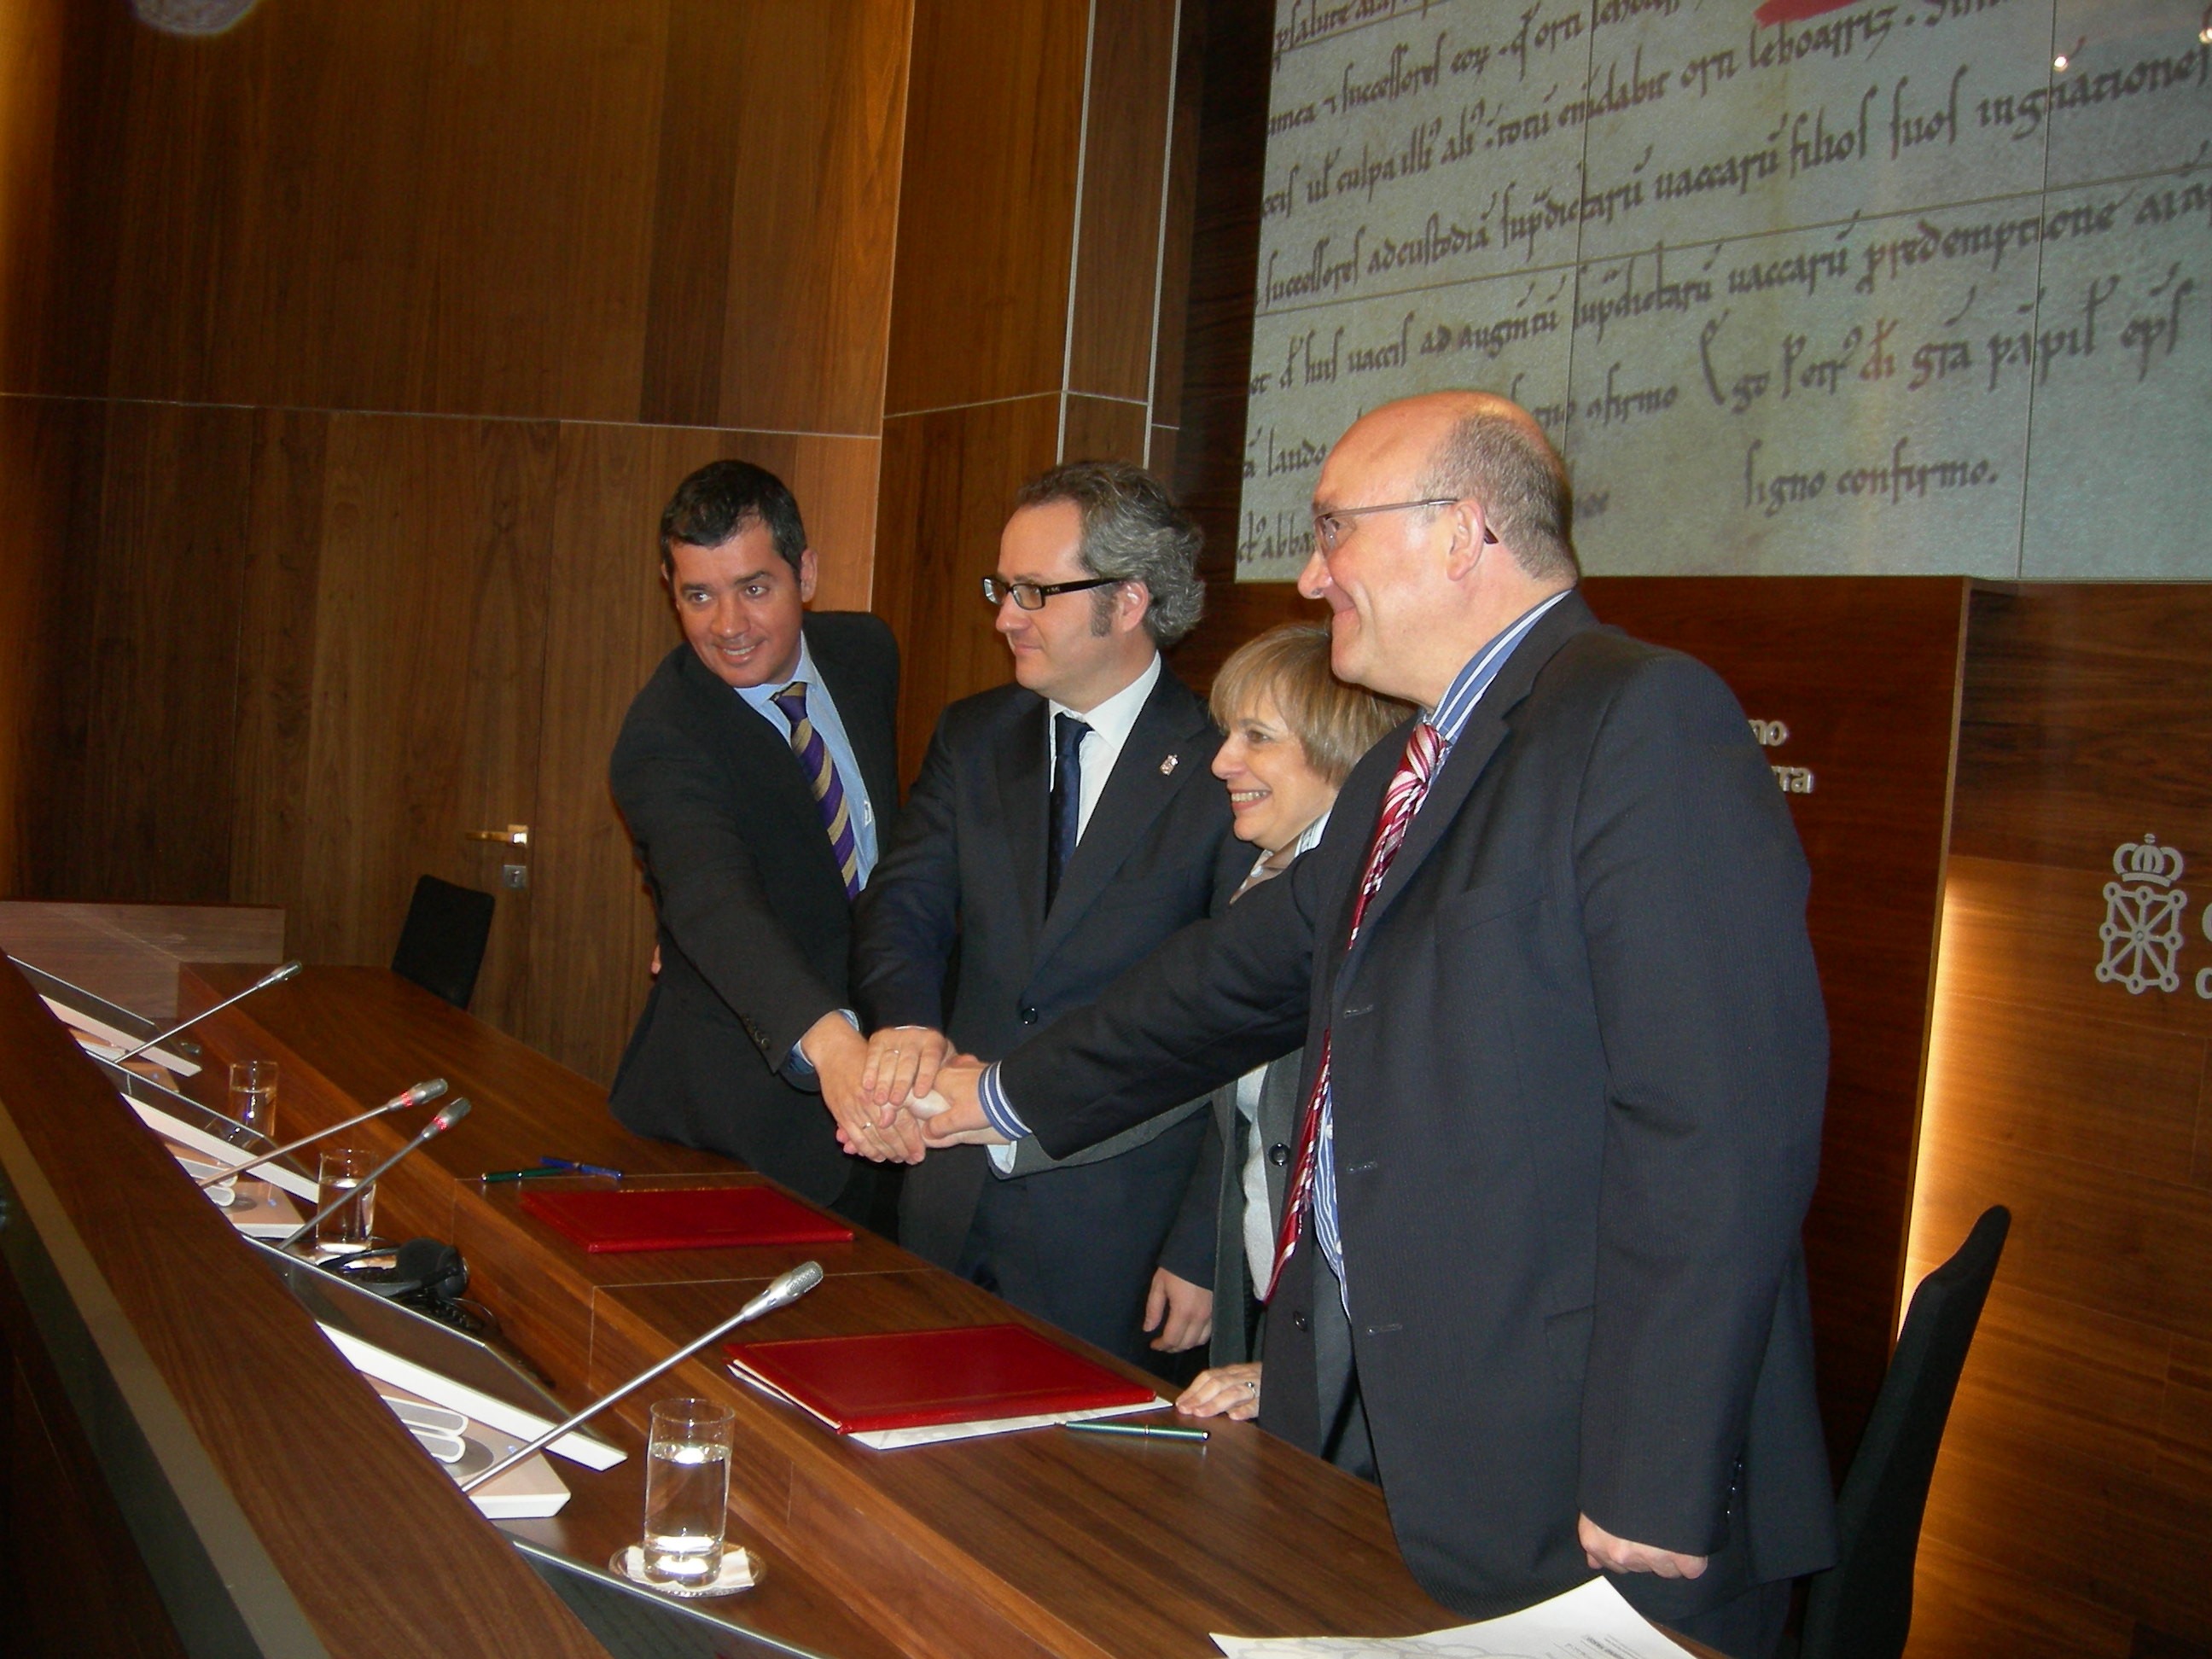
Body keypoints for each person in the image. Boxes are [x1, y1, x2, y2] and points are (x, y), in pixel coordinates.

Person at [898, 393, 1836, 1654]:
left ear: (1460, 533)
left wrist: (1658, 1465)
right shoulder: (1419, 760)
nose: (1309, 571)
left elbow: (1721, 1121)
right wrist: (994, 1098)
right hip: (1402, 1437)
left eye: (1336, 528)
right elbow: (1227, 984)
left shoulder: (1637, 719)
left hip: (1579, 1479)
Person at [846, 461, 1249, 1371]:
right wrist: (906, 1024)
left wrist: (1202, 1244)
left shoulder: (1227, 767)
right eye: (1003, 587)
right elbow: (902, 905)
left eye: (1034, 590)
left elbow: (1238, 1027)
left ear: (1130, 600)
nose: (1004, 617)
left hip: (1118, 1230)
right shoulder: (974, 735)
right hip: (945, 1188)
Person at [607, 459, 902, 1226]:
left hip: (892, 1106)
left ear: (804, 572)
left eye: (754, 588)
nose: (728, 627)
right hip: (736, 1131)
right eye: (698, 595)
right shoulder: (662, 737)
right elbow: (712, 902)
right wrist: (835, 1049)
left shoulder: (866, 654)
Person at [1144, 624, 1407, 1419]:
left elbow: (1386, 1204)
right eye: (1228, 734)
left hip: (1368, 1372)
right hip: (1269, 1317)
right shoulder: (1265, 881)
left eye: (1256, 737)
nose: (1222, 761)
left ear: (1340, 750)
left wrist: (1295, 1369)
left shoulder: (1377, 921)